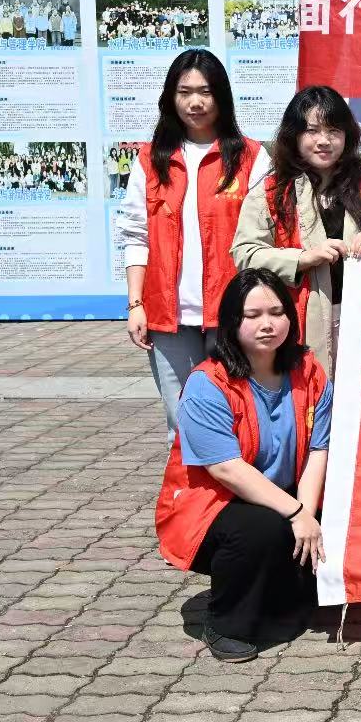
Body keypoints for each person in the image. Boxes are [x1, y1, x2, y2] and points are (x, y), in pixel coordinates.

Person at [155, 268, 333, 663]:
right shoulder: (207, 383)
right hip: (215, 508)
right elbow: (226, 469)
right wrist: (297, 514)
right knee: (263, 528)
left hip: (286, 495)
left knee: (336, 519)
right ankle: (225, 623)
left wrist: (308, 515)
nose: (267, 324)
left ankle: (286, 590)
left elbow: (318, 449)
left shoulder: (309, 370)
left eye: (276, 312)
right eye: (252, 315)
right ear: (232, 322)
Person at [117, 50, 268, 443]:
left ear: (222, 96)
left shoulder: (251, 157)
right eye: (184, 92)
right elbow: (136, 235)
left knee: (239, 418)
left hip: (234, 313)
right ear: (171, 97)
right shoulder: (151, 159)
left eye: (205, 92)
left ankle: (237, 485)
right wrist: (136, 304)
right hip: (169, 318)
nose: (195, 102)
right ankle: (186, 485)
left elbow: (265, 237)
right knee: (182, 423)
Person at [232, 86, 361, 375]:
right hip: (298, 320)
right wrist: (302, 258)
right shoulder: (271, 193)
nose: (324, 141)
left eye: (334, 131)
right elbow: (245, 254)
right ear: (294, 135)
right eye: (312, 131)